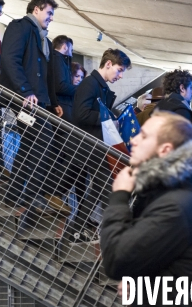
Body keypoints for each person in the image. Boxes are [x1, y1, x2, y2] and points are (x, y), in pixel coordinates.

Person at [100, 111, 192, 305]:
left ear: (165, 150)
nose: (133, 140)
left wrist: (119, 195)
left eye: (143, 136)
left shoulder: (177, 205)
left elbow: (117, 260)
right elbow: (158, 253)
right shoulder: (162, 194)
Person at [0, 0, 67, 213]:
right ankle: (32, 195)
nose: (51, 18)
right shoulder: (20, 27)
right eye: (49, 13)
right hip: (23, 102)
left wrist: (53, 102)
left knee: (29, 146)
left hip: (38, 103)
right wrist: (25, 91)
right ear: (36, 10)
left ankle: (15, 195)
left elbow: (46, 75)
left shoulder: (44, 39)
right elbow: (10, 59)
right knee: (42, 143)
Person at [70, 48, 131, 241]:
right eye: (119, 70)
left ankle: (75, 230)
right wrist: (107, 120)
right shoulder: (90, 84)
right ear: (108, 64)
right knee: (106, 188)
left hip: (94, 147)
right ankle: (114, 234)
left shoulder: (99, 86)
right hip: (89, 147)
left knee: (98, 190)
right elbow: (81, 114)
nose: (120, 76)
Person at [153, 69, 192, 138]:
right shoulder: (182, 111)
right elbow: (184, 143)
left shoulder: (159, 107)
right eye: (191, 87)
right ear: (182, 88)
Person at [52, 35, 75, 123]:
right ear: (65, 47)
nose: (71, 54)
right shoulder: (57, 59)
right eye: (71, 50)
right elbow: (59, 86)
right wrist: (81, 89)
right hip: (61, 106)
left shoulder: (57, 59)